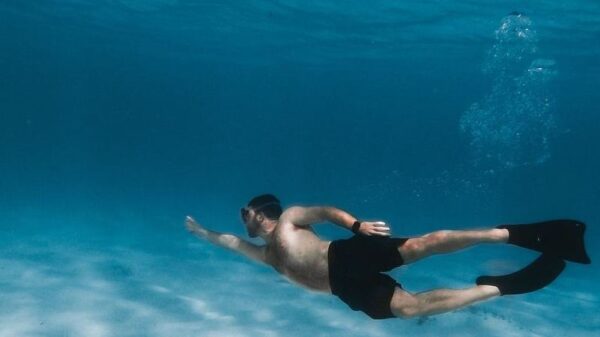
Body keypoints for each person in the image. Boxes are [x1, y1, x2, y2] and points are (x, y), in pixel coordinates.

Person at [184, 194, 590, 319]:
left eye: (245, 214)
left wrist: (356, 226)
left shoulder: (289, 219)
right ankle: (502, 287)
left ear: (261, 212)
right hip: (342, 288)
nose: (243, 222)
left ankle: (514, 234)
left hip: (345, 255)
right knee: (411, 310)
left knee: (422, 245)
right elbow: (232, 245)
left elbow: (323, 212)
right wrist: (204, 234)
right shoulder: (266, 255)